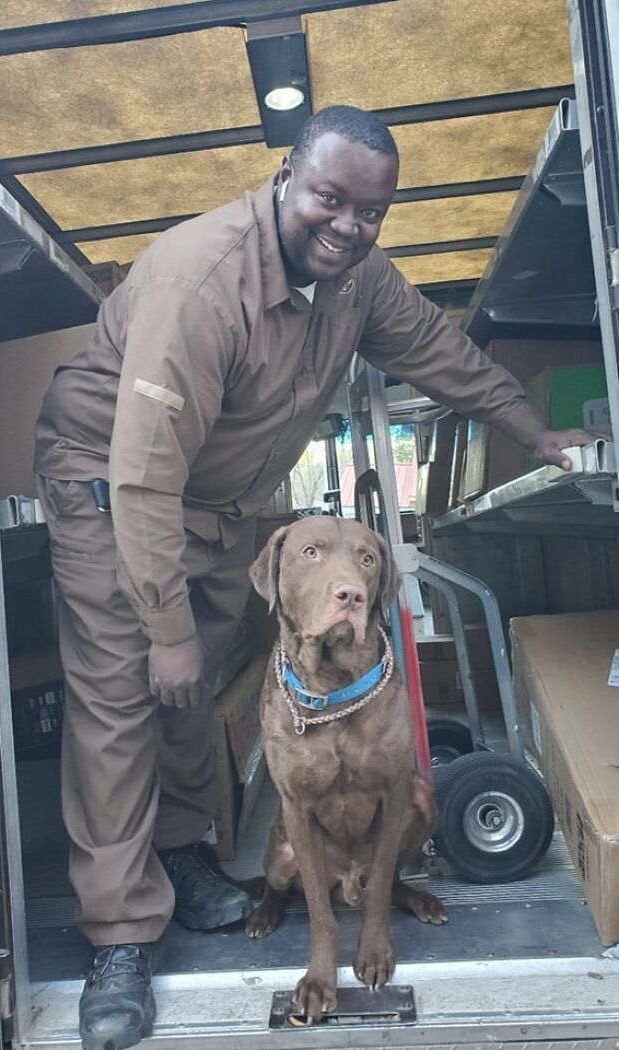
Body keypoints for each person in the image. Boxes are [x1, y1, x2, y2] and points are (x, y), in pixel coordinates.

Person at [34, 105, 601, 1050]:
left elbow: (439, 351)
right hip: (112, 489)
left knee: (190, 696)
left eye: (371, 212)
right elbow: (140, 474)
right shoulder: (202, 282)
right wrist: (164, 624)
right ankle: (122, 936)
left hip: (215, 507)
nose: (348, 226)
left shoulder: (357, 278)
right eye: (329, 200)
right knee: (123, 697)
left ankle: (180, 856)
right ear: (286, 174)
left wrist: (536, 431)